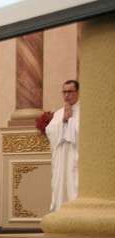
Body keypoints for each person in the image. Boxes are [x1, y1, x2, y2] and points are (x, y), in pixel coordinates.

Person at [45, 79, 80, 212]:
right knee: (60, 185)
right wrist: (64, 120)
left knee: (74, 183)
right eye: (64, 92)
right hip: (61, 156)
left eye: (70, 91)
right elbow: (50, 131)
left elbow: (83, 133)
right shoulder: (59, 113)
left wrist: (71, 120)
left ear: (77, 92)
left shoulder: (85, 111)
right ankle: (60, 212)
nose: (66, 95)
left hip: (75, 155)